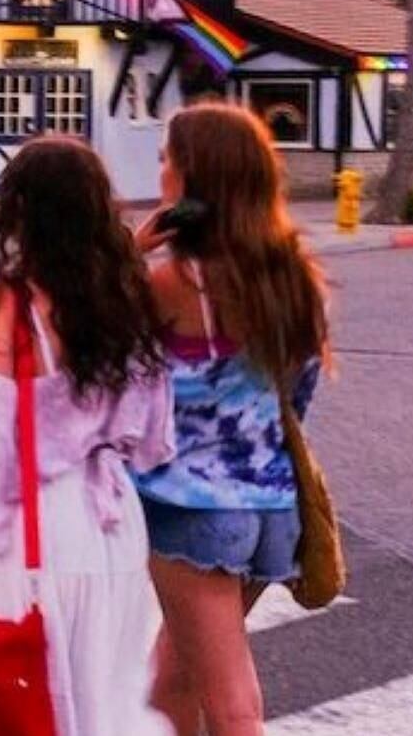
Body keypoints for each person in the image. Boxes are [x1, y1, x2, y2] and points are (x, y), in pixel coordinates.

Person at [0, 136, 174, 736]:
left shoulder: (5, 304)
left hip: (38, 526)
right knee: (106, 697)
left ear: (21, 211)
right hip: (113, 522)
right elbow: (153, 435)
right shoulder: (126, 298)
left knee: (31, 696)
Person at [135, 103, 331, 736]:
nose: (160, 168)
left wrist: (128, 251)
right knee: (169, 682)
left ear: (194, 177)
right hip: (269, 509)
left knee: (231, 704)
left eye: (168, 158)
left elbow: (104, 375)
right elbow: (295, 399)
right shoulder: (296, 279)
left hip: (191, 511)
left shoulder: (172, 283)